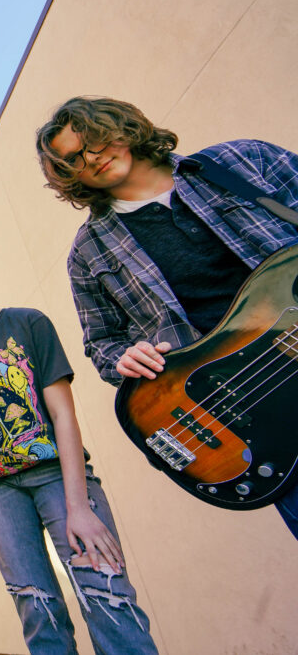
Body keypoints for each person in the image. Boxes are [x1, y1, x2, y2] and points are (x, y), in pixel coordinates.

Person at [35, 96, 298, 538]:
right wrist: (124, 358)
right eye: (74, 159)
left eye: (96, 140)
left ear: (123, 127)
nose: (92, 158)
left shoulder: (241, 161)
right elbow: (101, 344)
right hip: (256, 409)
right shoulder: (88, 252)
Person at [0, 249, 158, 655]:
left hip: (57, 475)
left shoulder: (28, 321)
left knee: (106, 593)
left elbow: (62, 414)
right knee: (36, 607)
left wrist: (79, 506)